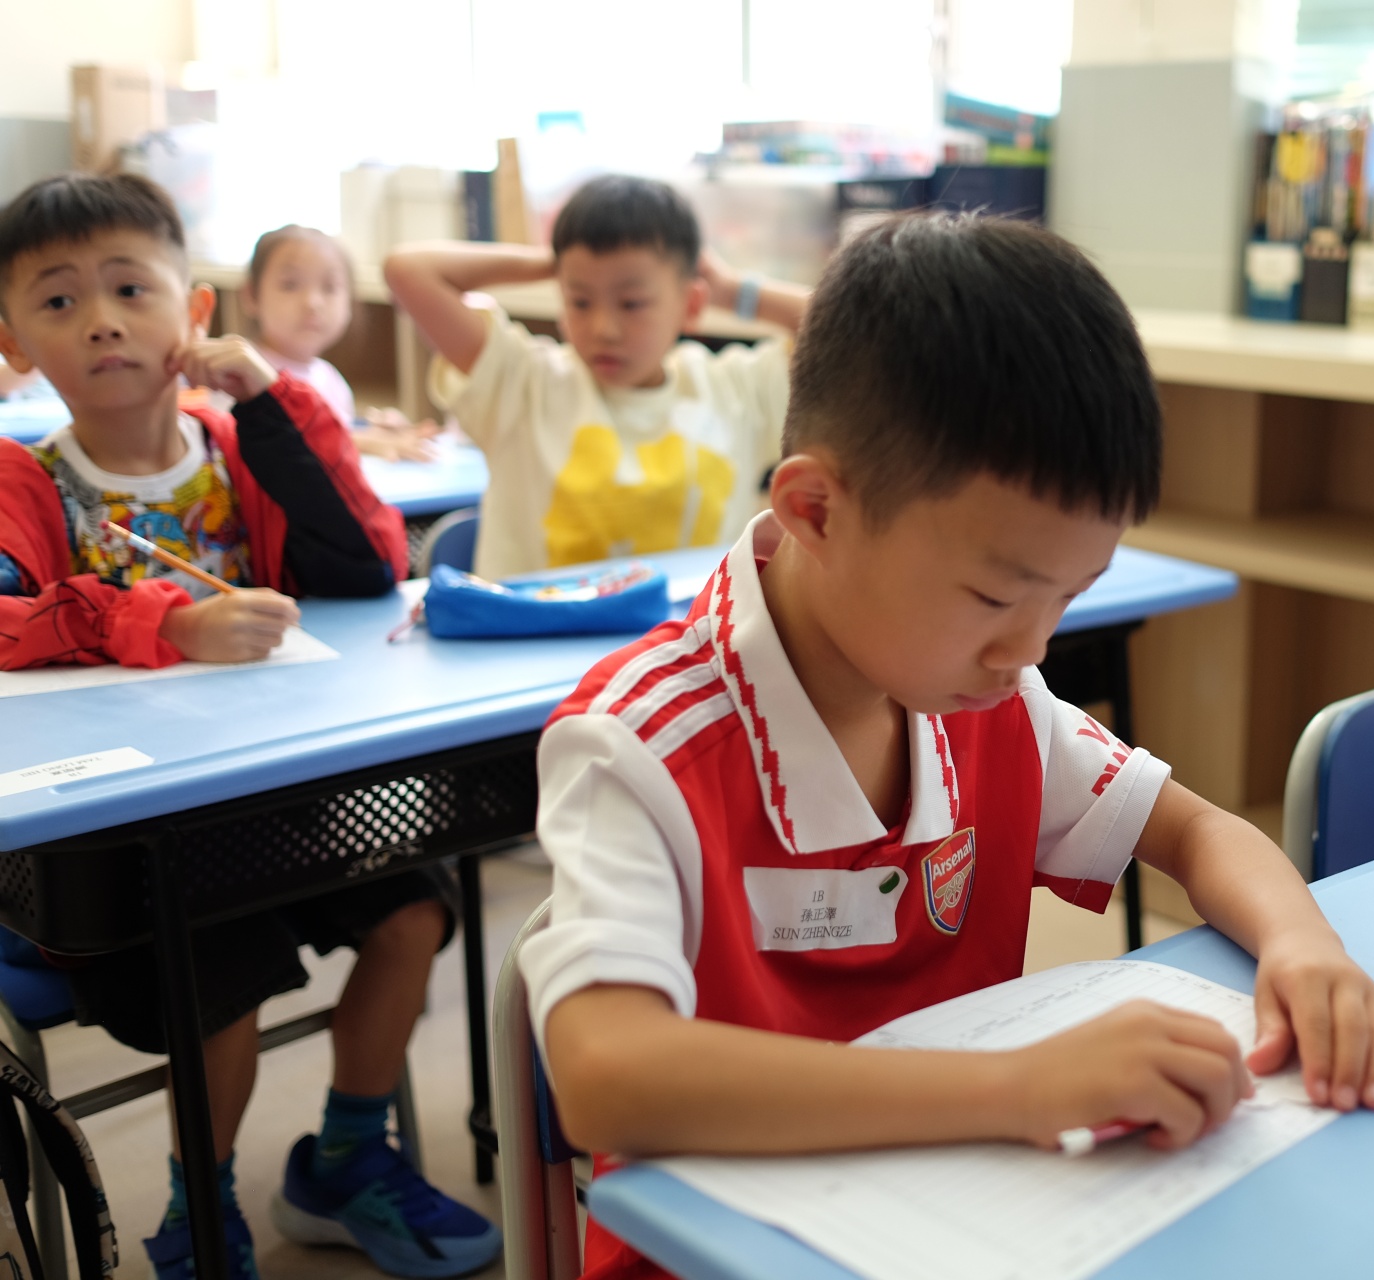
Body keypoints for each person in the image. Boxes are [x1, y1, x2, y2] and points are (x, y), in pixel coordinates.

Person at [526, 213, 1374, 1280]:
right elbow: (605, 1075)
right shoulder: (637, 745)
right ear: (816, 510)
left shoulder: (984, 697)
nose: (1030, 649)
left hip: (976, 1222)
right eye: (997, 597)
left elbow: (1196, 832)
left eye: (1069, 597)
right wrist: (1020, 1087)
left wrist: (1303, 947)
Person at [0, 173, 501, 1280]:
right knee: (218, 976)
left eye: (131, 288)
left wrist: (277, 404)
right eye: (59, 300)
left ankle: (343, 1160)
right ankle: (201, 1208)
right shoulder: (23, 482)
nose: (102, 320)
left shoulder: (240, 447)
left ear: (196, 312)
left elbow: (369, 564)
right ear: (15, 342)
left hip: (269, 802)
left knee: (416, 908)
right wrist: (163, 622)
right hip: (118, 844)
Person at [384, 174, 811, 579]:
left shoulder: (735, 391)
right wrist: (554, 260)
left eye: (632, 303)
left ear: (691, 303)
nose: (604, 328)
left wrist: (731, 290)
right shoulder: (523, 382)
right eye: (580, 301)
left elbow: (844, 325)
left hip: (691, 632)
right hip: (539, 630)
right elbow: (409, 271)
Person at [242, 224, 442, 462]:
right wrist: (364, 442)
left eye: (329, 287)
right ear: (251, 295)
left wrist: (374, 429)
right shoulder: (243, 370)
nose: (312, 302)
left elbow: (332, 431)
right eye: (290, 285)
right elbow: (280, 444)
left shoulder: (329, 378)